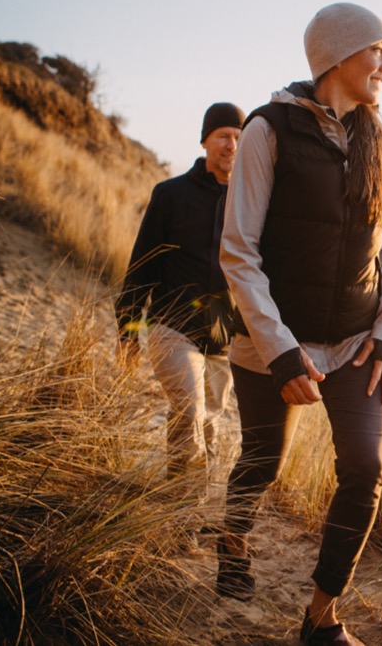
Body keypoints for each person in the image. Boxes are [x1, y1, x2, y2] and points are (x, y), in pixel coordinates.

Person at [216, 2, 382, 646]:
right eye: (375, 49)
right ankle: (233, 539)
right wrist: (282, 353)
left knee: (366, 468)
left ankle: (321, 619)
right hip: (276, 341)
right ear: (333, 56)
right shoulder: (268, 130)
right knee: (264, 461)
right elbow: (238, 252)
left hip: (357, 341)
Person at [115, 102, 245, 506]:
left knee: (208, 424)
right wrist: (128, 332)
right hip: (171, 328)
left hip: (222, 340)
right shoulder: (171, 194)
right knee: (189, 410)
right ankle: (184, 517)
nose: (231, 145)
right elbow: (142, 266)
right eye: (223, 135)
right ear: (205, 139)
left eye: (239, 138)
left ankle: (181, 503)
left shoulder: (249, 204)